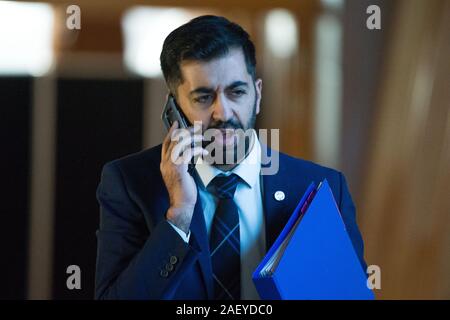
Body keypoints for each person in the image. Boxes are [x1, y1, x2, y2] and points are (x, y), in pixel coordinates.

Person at [94, 15, 366, 300]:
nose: (223, 113)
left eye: (236, 92)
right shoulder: (129, 184)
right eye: (203, 97)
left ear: (257, 95)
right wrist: (179, 216)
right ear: (173, 108)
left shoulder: (323, 187)